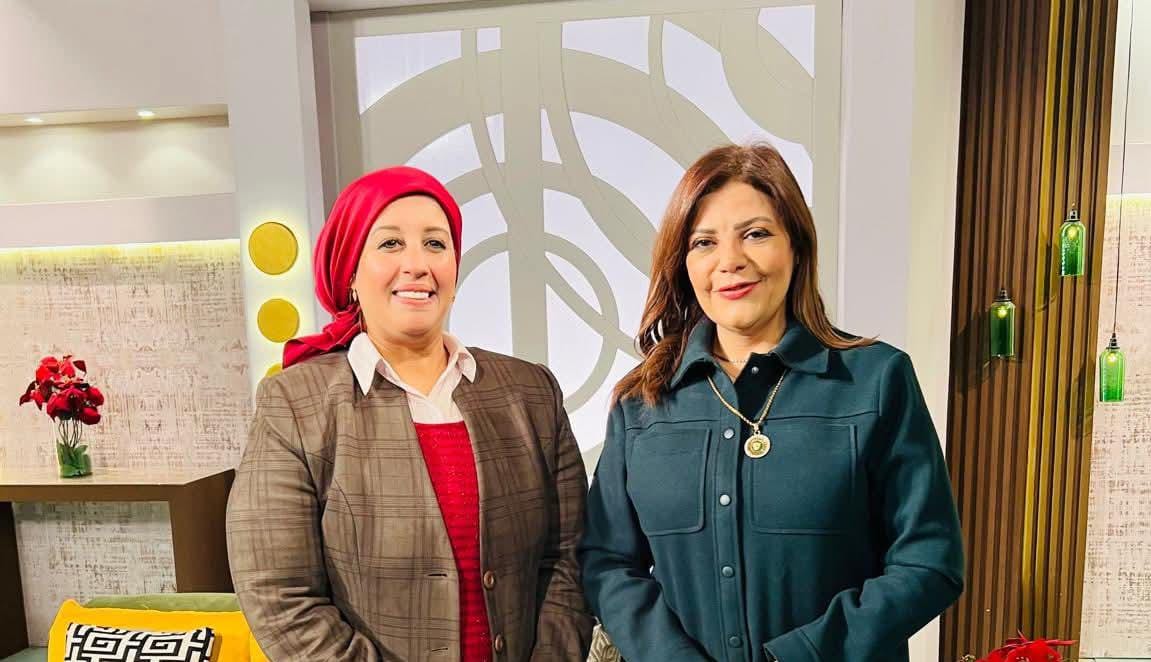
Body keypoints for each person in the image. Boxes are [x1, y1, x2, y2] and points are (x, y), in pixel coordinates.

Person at [580, 144, 964, 662]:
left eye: (756, 234)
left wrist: (801, 655)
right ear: (684, 263)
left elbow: (930, 560)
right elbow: (607, 563)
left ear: (796, 247)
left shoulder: (877, 380)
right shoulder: (641, 404)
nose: (730, 261)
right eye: (704, 242)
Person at [227, 166, 593, 662]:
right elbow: (280, 597)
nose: (417, 264)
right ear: (350, 273)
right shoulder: (294, 404)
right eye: (391, 244)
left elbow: (568, 563)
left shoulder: (531, 393)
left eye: (435, 244)